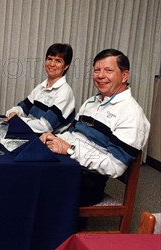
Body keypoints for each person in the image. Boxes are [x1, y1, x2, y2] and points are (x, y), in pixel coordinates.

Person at [40, 49, 150, 206]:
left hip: (87, 181)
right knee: (22, 167)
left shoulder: (132, 114)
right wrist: (54, 138)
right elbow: (72, 133)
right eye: (97, 70)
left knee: (32, 183)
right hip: (67, 163)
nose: (100, 75)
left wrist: (71, 150)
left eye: (108, 70)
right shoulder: (92, 102)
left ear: (124, 75)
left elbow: (114, 166)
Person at [5, 43, 75, 133]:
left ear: (66, 66)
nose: (52, 64)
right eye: (49, 59)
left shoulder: (65, 92)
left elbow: (45, 126)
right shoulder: (41, 87)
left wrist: (19, 120)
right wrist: (13, 112)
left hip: (47, 141)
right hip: (28, 132)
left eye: (58, 61)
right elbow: (23, 108)